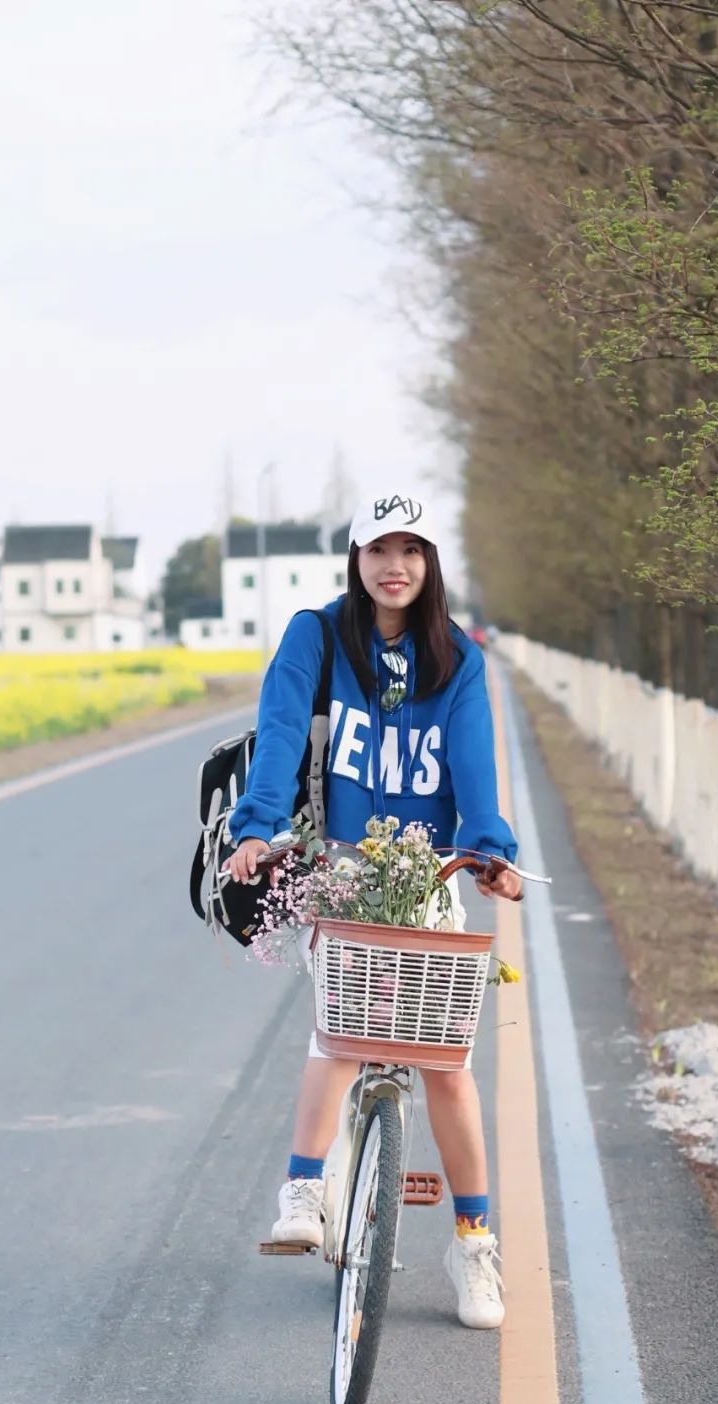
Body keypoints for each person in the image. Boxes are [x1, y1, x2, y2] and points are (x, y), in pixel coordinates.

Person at [223, 493, 521, 1329]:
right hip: (342, 870)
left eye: (411, 551)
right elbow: (280, 735)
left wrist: (489, 851)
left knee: (447, 1065)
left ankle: (473, 1247)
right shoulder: (315, 638)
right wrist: (259, 829)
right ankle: (306, 1190)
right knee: (341, 1036)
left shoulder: (457, 659)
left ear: (430, 565)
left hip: (424, 873)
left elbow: (473, 769)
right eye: (377, 549)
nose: (395, 565)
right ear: (354, 559)